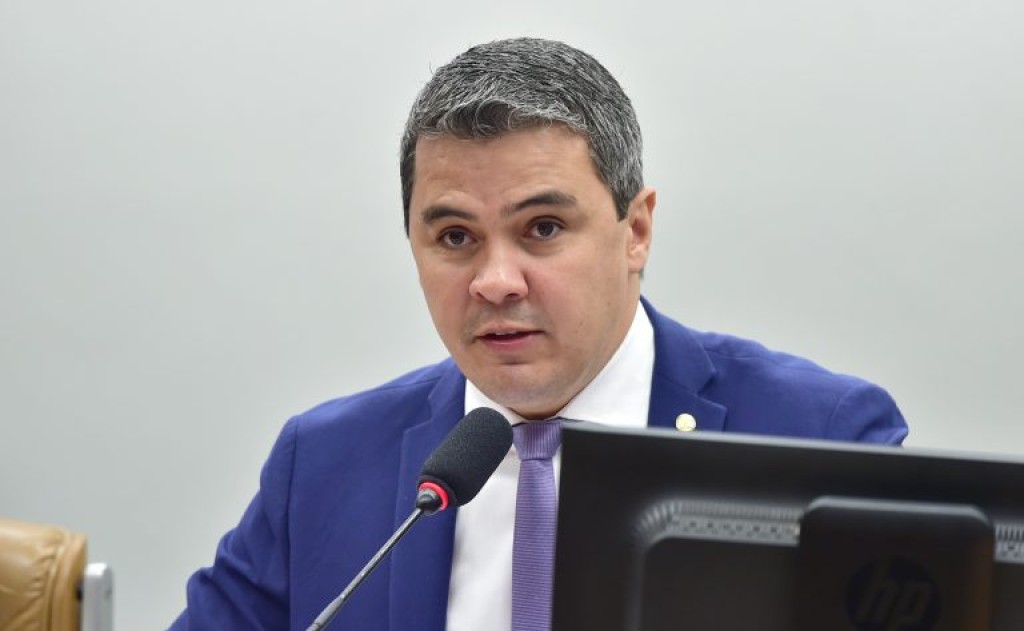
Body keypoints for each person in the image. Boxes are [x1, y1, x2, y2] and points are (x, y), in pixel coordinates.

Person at [169, 37, 907, 630]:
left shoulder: (822, 440)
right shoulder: (323, 463)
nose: (495, 281)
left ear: (635, 230)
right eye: (455, 237)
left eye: (543, 228)